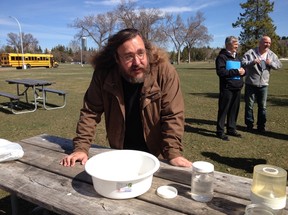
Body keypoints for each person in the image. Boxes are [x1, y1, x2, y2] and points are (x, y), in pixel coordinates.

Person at [61, 28, 192, 167]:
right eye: (129, 56)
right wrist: (81, 148)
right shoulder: (104, 74)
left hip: (156, 154)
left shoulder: (164, 72)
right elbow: (90, 112)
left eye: (141, 53)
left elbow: (172, 115)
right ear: (117, 58)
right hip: (120, 152)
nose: (137, 62)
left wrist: (173, 153)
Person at [242, 36, 282, 132]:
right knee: (249, 105)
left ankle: (261, 126)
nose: (267, 44)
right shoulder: (251, 52)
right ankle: (249, 125)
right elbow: (242, 62)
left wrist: (271, 63)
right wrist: (252, 62)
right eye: (265, 42)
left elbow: (279, 65)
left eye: (269, 43)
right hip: (251, 83)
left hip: (264, 85)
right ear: (260, 43)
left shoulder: (271, 55)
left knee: (262, 107)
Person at [215, 36, 246, 141]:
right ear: (228, 44)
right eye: (235, 43)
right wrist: (236, 72)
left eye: (237, 43)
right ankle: (220, 131)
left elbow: (242, 69)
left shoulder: (237, 56)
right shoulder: (222, 57)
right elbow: (221, 72)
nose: (237, 45)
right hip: (227, 88)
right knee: (224, 110)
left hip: (237, 87)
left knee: (234, 110)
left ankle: (231, 129)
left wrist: (243, 72)